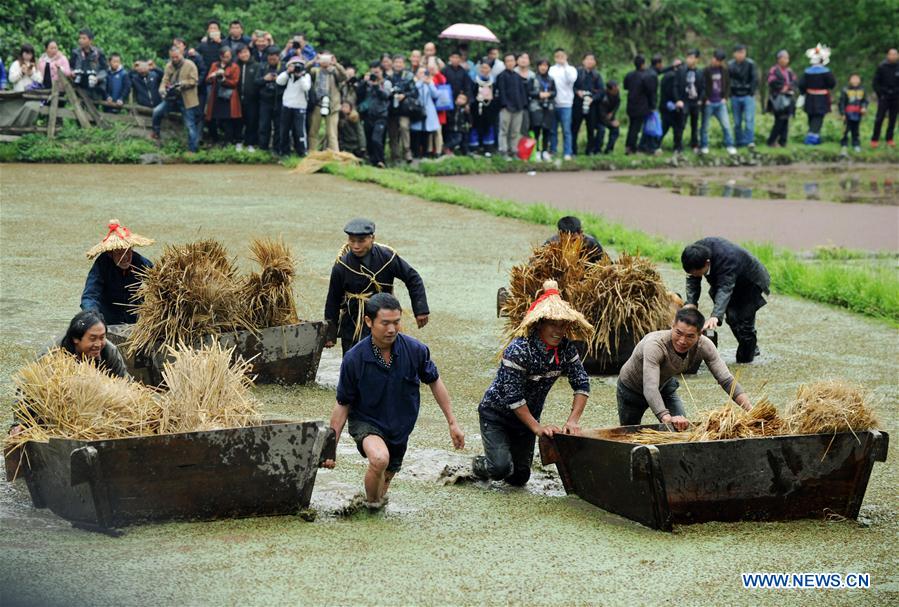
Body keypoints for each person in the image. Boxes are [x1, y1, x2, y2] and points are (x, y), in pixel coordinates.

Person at [321, 293, 464, 510]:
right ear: (369, 322)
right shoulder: (354, 358)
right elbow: (343, 403)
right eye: (385, 323)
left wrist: (452, 422)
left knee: (385, 479)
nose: (391, 329)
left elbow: (434, 382)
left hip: (400, 427)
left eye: (396, 322)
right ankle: (371, 508)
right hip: (366, 421)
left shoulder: (415, 350)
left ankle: (372, 505)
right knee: (379, 459)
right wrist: (331, 447)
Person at [473, 280, 591, 486]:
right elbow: (514, 398)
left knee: (519, 478)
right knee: (500, 469)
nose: (559, 330)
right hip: (497, 415)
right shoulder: (519, 350)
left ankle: (505, 457)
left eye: (563, 324)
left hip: (527, 419)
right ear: (539, 323)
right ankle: (481, 464)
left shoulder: (567, 350)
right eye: (553, 324)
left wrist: (573, 420)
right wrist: (538, 428)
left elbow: (581, 383)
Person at [617, 307, 752, 430]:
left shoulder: (704, 345)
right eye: (678, 333)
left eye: (690, 336)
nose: (682, 341)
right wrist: (666, 417)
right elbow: (650, 387)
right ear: (672, 326)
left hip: (664, 386)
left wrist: (751, 411)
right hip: (632, 389)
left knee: (680, 429)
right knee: (629, 435)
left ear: (700, 334)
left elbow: (727, 380)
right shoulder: (655, 345)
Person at [324, 218, 429, 355]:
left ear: (372, 238)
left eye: (361, 241)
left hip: (384, 318)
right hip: (354, 321)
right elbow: (333, 299)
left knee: (387, 356)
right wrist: (330, 335)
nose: (355, 246)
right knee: (354, 359)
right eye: (352, 240)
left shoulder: (387, 257)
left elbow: (412, 278)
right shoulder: (341, 266)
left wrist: (420, 309)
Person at [681, 237, 770, 364]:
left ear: (707, 263)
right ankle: (751, 347)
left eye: (698, 273)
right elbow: (692, 278)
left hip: (749, 283)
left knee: (744, 325)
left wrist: (715, 316)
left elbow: (725, 288)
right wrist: (691, 303)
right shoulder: (695, 254)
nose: (696, 276)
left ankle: (746, 360)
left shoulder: (727, 258)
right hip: (726, 281)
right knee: (732, 319)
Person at [82, 219, 154, 326]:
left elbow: (158, 281)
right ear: (110, 254)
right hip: (108, 320)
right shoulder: (102, 265)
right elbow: (90, 296)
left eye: (128, 252)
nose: (125, 257)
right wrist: (93, 318)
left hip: (133, 319)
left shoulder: (139, 262)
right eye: (119, 253)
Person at [152, 46, 200, 153]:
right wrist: (162, 89)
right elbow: (164, 80)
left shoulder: (190, 65)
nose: (174, 59)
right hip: (172, 98)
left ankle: (192, 151)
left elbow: (194, 81)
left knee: (190, 125)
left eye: (176, 57)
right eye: (172, 57)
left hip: (187, 98)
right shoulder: (169, 66)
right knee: (156, 111)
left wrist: (182, 84)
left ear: (181, 54)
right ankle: (156, 133)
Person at [308, 52, 347, 152]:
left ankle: (335, 155)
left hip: (332, 105)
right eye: (323, 58)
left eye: (327, 58)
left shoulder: (334, 71)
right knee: (313, 131)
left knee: (332, 133)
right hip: (318, 104)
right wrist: (313, 61)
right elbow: (305, 70)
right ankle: (312, 154)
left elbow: (344, 76)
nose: (325, 61)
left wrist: (336, 64)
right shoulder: (315, 71)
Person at [798, 44, 836, 145]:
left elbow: (801, 85)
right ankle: (812, 139)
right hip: (821, 98)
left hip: (810, 98)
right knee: (818, 117)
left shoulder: (807, 72)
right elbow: (832, 84)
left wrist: (803, 93)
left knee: (811, 117)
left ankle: (815, 137)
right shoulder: (827, 72)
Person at [700, 49, 736, 155]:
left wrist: (725, 97)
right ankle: (704, 145)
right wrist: (705, 99)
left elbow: (728, 84)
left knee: (726, 125)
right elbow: (702, 85)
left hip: (720, 102)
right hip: (709, 103)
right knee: (705, 126)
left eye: (719, 61)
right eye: (715, 59)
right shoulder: (706, 70)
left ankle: (730, 145)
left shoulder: (724, 71)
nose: (716, 62)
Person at [357, 62, 392, 167]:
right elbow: (359, 94)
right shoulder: (367, 83)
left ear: (382, 72)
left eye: (377, 72)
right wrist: (364, 82)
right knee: (369, 139)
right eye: (373, 72)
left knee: (376, 139)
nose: (375, 74)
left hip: (381, 115)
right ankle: (373, 160)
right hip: (368, 115)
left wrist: (377, 86)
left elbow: (386, 96)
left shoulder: (386, 83)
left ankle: (381, 160)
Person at [205, 47, 242, 146]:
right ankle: (215, 140)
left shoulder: (235, 66)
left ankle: (228, 142)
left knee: (228, 120)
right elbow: (207, 80)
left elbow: (235, 82)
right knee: (212, 119)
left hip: (228, 96)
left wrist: (223, 79)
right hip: (216, 95)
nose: (226, 59)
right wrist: (213, 76)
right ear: (220, 56)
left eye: (228, 57)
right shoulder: (215, 65)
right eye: (224, 57)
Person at [276, 56, 311, 157]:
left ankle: (302, 152)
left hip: (300, 107)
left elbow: (306, 87)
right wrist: (288, 72)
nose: (297, 67)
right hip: (287, 105)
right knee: (284, 130)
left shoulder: (306, 76)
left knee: (299, 131)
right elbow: (279, 81)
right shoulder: (287, 76)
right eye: (294, 65)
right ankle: (284, 152)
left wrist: (300, 76)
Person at [495, 52, 528, 159]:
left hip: (518, 108)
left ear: (515, 62)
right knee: (504, 130)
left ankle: (513, 150)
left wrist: (522, 105)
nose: (510, 63)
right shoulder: (501, 76)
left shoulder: (518, 77)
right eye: (507, 61)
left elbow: (522, 92)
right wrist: (505, 105)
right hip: (506, 108)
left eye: (512, 61)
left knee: (515, 131)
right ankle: (503, 150)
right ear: (504, 63)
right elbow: (501, 93)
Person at [623, 55, 657, 154]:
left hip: (631, 105)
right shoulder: (646, 76)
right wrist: (652, 105)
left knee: (632, 126)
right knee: (637, 127)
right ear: (643, 64)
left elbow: (626, 87)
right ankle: (633, 147)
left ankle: (629, 145)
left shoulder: (629, 75)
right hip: (642, 106)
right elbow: (650, 92)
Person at [572, 52, 604, 155]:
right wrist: (577, 92)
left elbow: (601, 91)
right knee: (575, 128)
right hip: (578, 103)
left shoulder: (597, 75)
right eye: (588, 59)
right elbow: (570, 86)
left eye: (592, 59)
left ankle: (590, 150)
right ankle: (573, 150)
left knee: (591, 128)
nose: (590, 62)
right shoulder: (576, 73)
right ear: (583, 61)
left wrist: (593, 98)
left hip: (591, 105)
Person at [548, 48, 577, 160]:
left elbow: (571, 80)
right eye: (557, 56)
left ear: (566, 56)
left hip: (566, 103)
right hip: (553, 103)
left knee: (566, 130)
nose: (560, 58)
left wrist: (565, 65)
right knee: (553, 130)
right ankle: (553, 150)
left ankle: (567, 152)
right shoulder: (551, 70)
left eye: (562, 56)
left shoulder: (571, 69)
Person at [387, 54, 416, 163]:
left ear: (404, 64)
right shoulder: (388, 76)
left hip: (404, 108)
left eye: (400, 62)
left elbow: (414, 91)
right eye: (396, 62)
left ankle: (407, 151)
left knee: (404, 127)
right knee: (393, 132)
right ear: (393, 64)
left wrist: (404, 95)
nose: (398, 65)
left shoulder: (409, 76)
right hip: (392, 109)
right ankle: (395, 156)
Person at [766, 50, 797, 148]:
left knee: (786, 120)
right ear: (779, 59)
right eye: (784, 58)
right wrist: (781, 87)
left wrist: (788, 87)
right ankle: (771, 141)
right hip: (778, 99)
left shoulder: (790, 71)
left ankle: (783, 141)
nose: (786, 60)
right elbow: (771, 81)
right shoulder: (774, 70)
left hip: (788, 98)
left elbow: (795, 82)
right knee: (779, 120)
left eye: (787, 58)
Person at [728, 44, 758, 149]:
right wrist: (730, 93)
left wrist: (751, 92)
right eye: (739, 52)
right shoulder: (730, 65)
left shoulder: (750, 64)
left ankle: (749, 141)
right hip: (735, 95)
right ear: (734, 54)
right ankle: (739, 141)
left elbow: (754, 79)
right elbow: (728, 80)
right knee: (737, 121)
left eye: (743, 52)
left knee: (749, 119)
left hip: (747, 95)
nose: (741, 55)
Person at [256, 46, 283, 152]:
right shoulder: (262, 67)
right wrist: (265, 79)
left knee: (279, 126)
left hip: (279, 100)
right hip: (265, 101)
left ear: (278, 57)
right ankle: (263, 149)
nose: (272, 61)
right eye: (270, 58)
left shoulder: (283, 67)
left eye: (274, 59)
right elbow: (256, 82)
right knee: (264, 126)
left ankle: (277, 149)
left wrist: (279, 79)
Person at [528, 59, 556, 161]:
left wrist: (549, 94)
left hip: (548, 107)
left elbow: (555, 92)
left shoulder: (551, 79)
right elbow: (529, 92)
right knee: (536, 129)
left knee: (547, 129)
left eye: (545, 65)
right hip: (536, 107)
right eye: (541, 65)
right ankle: (537, 151)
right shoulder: (533, 78)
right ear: (538, 66)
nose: (543, 67)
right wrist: (539, 94)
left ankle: (545, 150)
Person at [677, 49, 704, 152]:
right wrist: (678, 99)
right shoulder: (681, 71)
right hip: (685, 100)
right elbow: (676, 86)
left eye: (692, 57)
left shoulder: (700, 72)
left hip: (695, 101)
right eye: (688, 57)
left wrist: (701, 99)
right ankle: (678, 145)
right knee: (681, 123)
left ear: (697, 59)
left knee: (695, 124)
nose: (689, 60)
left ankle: (694, 144)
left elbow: (703, 88)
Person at [871, 48, 899, 148]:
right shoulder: (882, 67)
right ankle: (874, 139)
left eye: (895, 54)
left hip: (896, 97)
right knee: (879, 118)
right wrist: (881, 94)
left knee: (893, 119)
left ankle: (889, 139)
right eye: (891, 54)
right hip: (884, 96)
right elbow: (875, 83)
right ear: (888, 55)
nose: (893, 56)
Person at [410, 67, 440, 158]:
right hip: (416, 110)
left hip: (428, 110)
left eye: (424, 73)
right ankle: (416, 153)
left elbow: (436, 95)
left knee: (426, 133)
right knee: (416, 132)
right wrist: (421, 82)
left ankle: (425, 153)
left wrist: (429, 84)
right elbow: (413, 92)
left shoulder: (429, 82)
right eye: (421, 73)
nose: (423, 75)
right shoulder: (414, 83)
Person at [235, 44, 260, 151]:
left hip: (252, 99)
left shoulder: (256, 65)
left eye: (246, 52)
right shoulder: (235, 65)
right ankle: (238, 141)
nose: (244, 55)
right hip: (238, 98)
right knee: (238, 121)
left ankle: (250, 143)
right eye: (241, 53)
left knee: (251, 121)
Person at [70, 28, 107, 99]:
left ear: (90, 40)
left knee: (93, 108)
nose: (81, 40)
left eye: (84, 38)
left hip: (94, 87)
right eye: (80, 38)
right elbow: (71, 66)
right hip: (79, 87)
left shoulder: (98, 53)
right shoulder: (75, 53)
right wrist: (72, 73)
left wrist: (98, 78)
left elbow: (105, 70)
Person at [472, 60, 497, 155]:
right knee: (476, 127)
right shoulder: (475, 81)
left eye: (486, 68)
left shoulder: (493, 82)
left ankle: (488, 148)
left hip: (489, 108)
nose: (484, 70)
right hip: (477, 108)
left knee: (489, 127)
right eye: (482, 68)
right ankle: (475, 148)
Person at [659, 58, 685, 152]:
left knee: (665, 126)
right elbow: (672, 92)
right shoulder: (673, 77)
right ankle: (677, 146)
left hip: (665, 105)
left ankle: (656, 144)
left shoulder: (666, 75)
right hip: (672, 106)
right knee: (677, 127)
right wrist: (678, 101)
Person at [839, 73, 868, 153]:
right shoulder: (845, 90)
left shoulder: (862, 90)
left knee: (856, 130)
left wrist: (864, 108)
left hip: (857, 114)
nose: (855, 80)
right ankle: (844, 144)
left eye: (857, 78)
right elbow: (842, 102)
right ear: (849, 80)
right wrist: (842, 113)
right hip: (848, 113)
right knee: (846, 129)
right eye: (853, 78)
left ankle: (856, 144)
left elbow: (864, 101)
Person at [597, 80, 620, 153]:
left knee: (615, 130)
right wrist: (610, 123)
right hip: (599, 119)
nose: (616, 91)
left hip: (609, 116)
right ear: (609, 90)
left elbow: (617, 105)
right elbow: (600, 114)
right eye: (614, 90)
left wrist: (612, 113)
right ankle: (597, 149)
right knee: (602, 130)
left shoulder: (617, 94)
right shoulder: (602, 96)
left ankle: (609, 149)